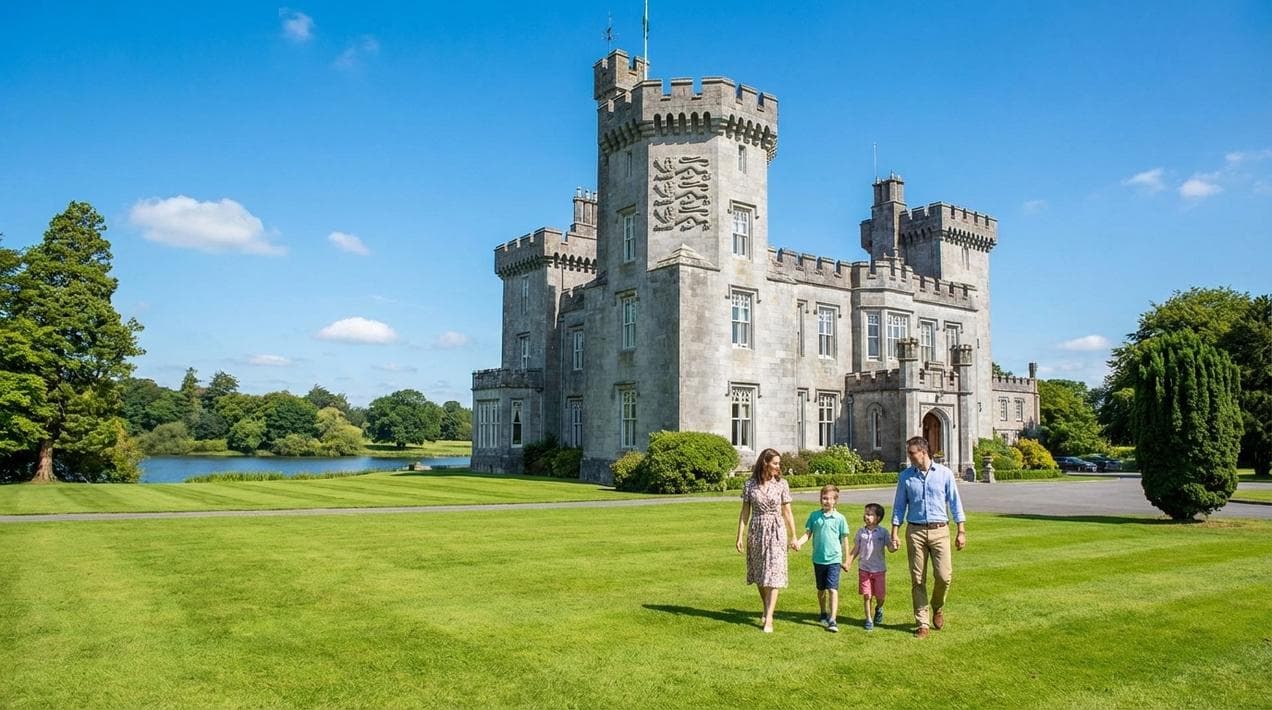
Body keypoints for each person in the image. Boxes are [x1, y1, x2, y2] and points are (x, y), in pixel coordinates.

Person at [891, 436, 966, 639]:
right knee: (917, 579)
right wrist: (895, 532)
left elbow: (955, 503)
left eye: (912, 453)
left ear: (923, 452)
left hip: (940, 530)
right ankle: (922, 622)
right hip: (915, 531)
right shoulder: (906, 476)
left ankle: (937, 606)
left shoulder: (944, 474)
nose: (909, 456)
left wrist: (961, 531)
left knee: (944, 576)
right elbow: (899, 506)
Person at [735, 448, 798, 633]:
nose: (779, 467)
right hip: (757, 529)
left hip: (777, 530)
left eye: (779, 463)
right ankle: (766, 606)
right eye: (775, 463)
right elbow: (745, 511)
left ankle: (769, 617)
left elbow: (787, 512)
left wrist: (793, 535)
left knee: (774, 573)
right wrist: (739, 535)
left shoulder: (782, 484)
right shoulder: (750, 485)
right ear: (765, 463)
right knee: (761, 574)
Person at [792, 484, 851, 632]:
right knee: (821, 589)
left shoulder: (840, 518)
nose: (826, 501)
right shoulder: (814, 516)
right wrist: (798, 543)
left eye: (829, 499)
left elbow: (844, 539)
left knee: (832, 588)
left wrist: (847, 559)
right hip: (818, 559)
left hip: (834, 559)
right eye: (824, 498)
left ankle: (833, 619)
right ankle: (823, 612)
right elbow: (808, 534)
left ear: (835, 501)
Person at [844, 502, 894, 631]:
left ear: (878, 518)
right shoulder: (861, 532)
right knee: (867, 595)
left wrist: (895, 546)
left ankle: (879, 608)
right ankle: (869, 620)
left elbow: (890, 547)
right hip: (864, 569)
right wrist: (848, 562)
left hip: (879, 570)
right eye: (865, 514)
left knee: (880, 596)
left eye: (869, 514)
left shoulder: (883, 532)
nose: (866, 516)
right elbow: (855, 549)